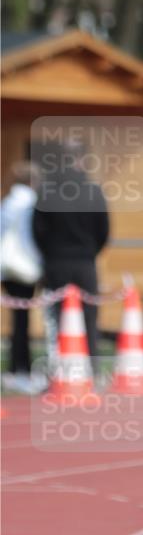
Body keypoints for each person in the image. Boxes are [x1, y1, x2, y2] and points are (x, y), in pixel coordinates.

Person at [32, 139, 110, 365]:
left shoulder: (47, 191)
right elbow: (103, 230)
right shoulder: (93, 191)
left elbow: (38, 230)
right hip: (85, 262)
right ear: (82, 159)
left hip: (56, 262)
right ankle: (91, 370)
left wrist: (50, 253)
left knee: (57, 318)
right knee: (89, 318)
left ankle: (60, 370)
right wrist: (89, 252)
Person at [0, 162, 44, 394]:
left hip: (6, 269)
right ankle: (22, 369)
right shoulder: (30, 205)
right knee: (22, 322)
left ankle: (14, 368)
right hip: (24, 268)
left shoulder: (6, 203)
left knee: (17, 320)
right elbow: (30, 239)